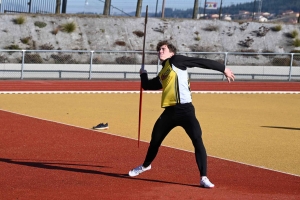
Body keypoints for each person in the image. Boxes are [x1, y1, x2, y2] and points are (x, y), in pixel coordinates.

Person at [128, 40, 235, 188]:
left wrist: (223, 68)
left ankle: (203, 177)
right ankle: (146, 165)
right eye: (158, 50)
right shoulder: (164, 72)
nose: (160, 51)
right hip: (169, 112)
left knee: (197, 139)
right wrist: (143, 75)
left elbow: (199, 62)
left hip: (186, 111)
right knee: (155, 140)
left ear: (172, 53)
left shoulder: (176, 61)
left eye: (163, 49)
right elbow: (148, 86)